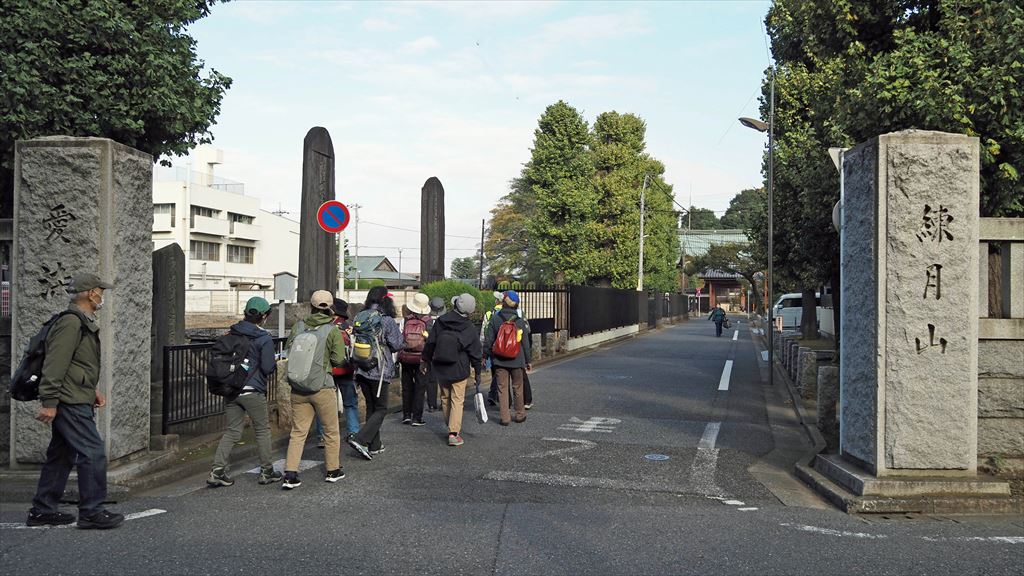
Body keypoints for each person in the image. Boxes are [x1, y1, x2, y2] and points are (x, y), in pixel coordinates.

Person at [28, 273, 124, 529]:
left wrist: (92, 390)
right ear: (91, 293)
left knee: (61, 455)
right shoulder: (71, 323)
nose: (102, 296)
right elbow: (55, 364)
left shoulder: (80, 321)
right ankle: (91, 511)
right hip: (69, 400)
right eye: (100, 291)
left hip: (76, 395)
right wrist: (50, 401)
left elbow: (77, 364)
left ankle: (42, 510)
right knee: (93, 452)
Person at [208, 297, 283, 487]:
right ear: (264, 316)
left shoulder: (232, 332)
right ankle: (266, 471)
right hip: (253, 390)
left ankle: (217, 471)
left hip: (231, 389)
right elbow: (267, 367)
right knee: (262, 430)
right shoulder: (263, 338)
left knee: (233, 431)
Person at [282, 290, 347, 489]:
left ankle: (290, 474)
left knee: (298, 432)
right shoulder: (332, 330)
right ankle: (332, 471)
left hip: (298, 387)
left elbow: (288, 350)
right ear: (330, 307)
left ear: (310, 305)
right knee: (331, 431)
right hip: (322, 387)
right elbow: (338, 359)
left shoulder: (299, 326)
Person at [348, 286, 404, 460]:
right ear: (386, 300)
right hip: (379, 370)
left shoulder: (360, 316)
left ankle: (374, 445)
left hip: (361, 366)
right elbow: (397, 344)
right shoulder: (386, 320)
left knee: (371, 407)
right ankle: (360, 439)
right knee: (381, 408)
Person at [422, 293, 482, 446]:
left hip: (441, 365)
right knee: (457, 399)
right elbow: (475, 352)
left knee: (445, 397)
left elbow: (430, 343)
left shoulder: (441, 321)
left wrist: (425, 361)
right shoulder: (469, 327)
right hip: (459, 367)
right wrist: (477, 372)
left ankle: (450, 426)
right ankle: (453, 433)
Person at [483, 290, 532, 426]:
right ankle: (520, 414)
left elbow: (488, 340)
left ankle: (505, 418)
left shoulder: (495, 319)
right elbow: (525, 343)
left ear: (503, 302)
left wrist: (485, 355)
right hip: (517, 359)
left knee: (502, 388)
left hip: (499, 360)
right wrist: (528, 361)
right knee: (518, 387)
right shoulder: (520, 321)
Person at [398, 293, 433, 426]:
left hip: (406, 357)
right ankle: (417, 417)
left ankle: (406, 415)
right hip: (422, 358)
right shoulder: (428, 321)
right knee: (420, 386)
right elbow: (431, 341)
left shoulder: (406, 320)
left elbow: (400, 338)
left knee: (406, 386)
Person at [331, 298, 360, 439]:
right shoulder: (349, 327)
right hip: (346, 369)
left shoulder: (327, 326)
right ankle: (353, 432)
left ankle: (323, 435)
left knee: (325, 405)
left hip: (328, 370)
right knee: (350, 403)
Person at [425, 296, 446, 411]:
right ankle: (444, 402)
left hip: (430, 351)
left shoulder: (426, 320)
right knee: (444, 378)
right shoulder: (446, 320)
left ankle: (432, 404)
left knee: (431, 379)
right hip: (443, 351)